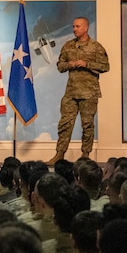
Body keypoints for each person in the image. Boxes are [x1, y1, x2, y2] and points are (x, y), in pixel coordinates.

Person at [51, 16, 110, 164]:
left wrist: (86, 63)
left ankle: (85, 154)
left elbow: (105, 66)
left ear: (86, 28)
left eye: (77, 26)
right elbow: (60, 66)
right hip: (71, 92)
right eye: (73, 26)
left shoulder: (96, 47)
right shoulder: (68, 46)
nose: (74, 29)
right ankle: (59, 154)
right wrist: (70, 64)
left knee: (87, 125)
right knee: (65, 124)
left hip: (89, 93)